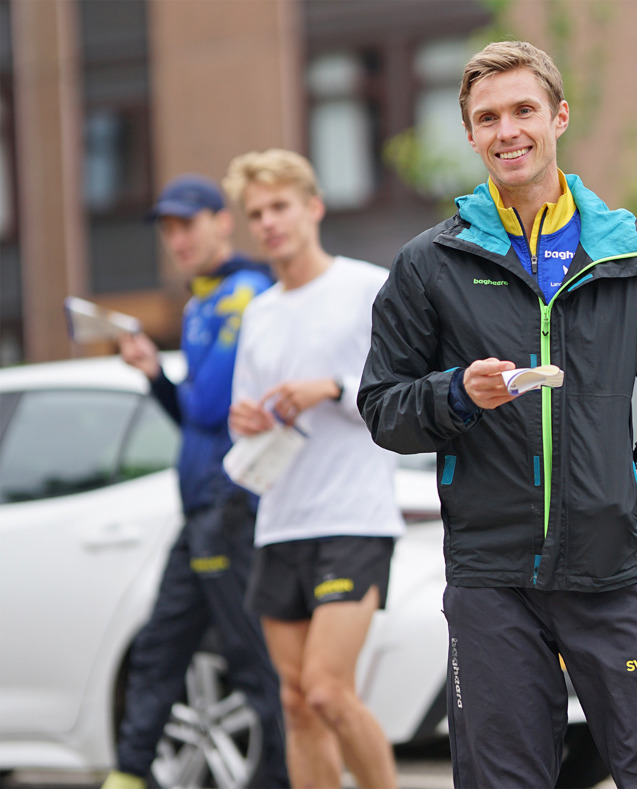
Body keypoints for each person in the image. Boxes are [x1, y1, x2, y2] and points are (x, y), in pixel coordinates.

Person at [358, 41, 637, 789]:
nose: (507, 131)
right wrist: (458, 392)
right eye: (486, 117)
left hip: (613, 566)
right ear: (468, 134)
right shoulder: (431, 265)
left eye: (523, 110)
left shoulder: (633, 254)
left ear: (558, 116)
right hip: (492, 578)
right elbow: (384, 408)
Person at [222, 149, 404, 789]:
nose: (268, 222)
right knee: (296, 705)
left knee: (328, 691)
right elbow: (245, 410)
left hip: (352, 518)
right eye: (256, 213)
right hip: (281, 522)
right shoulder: (261, 312)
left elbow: (399, 396)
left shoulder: (365, 287)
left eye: (280, 207)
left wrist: (329, 386)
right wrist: (245, 419)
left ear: (313, 208)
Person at [102, 175, 288, 789]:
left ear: (220, 221)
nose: (177, 238)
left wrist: (181, 383)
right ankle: (129, 774)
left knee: (251, 661)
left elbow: (209, 406)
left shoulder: (245, 292)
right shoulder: (200, 302)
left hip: (234, 507)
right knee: (161, 648)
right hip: (201, 512)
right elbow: (192, 413)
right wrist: (155, 375)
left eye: (188, 223)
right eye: (168, 227)